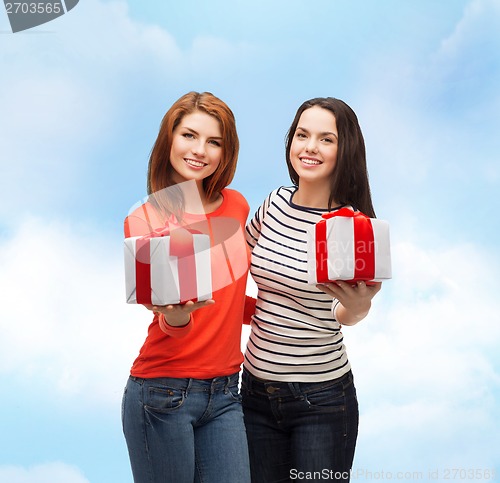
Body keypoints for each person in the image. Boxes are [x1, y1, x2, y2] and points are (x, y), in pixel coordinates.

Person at [241, 97, 382, 482]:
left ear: (345, 149)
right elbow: (233, 265)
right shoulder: (274, 204)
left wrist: (358, 308)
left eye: (326, 139)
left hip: (320, 401)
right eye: (303, 135)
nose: (310, 147)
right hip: (252, 395)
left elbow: (344, 313)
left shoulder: (350, 226)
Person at [122, 91, 252, 483]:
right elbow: (166, 317)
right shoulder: (144, 221)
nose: (200, 150)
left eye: (214, 142)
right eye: (189, 136)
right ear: (169, 141)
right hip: (162, 394)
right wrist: (178, 320)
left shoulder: (238, 206)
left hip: (228, 391)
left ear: (226, 153)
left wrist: (279, 309)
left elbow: (227, 298)